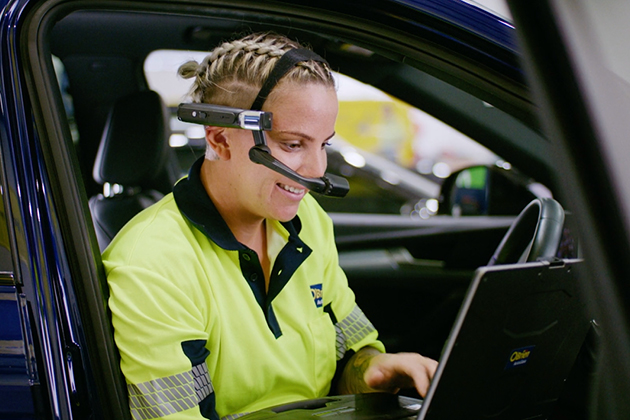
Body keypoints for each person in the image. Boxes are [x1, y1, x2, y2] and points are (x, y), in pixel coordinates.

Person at [104, 32, 438, 420]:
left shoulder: (306, 218)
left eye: (323, 145)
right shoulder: (152, 264)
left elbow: (348, 360)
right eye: (293, 145)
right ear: (220, 139)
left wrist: (374, 371)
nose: (316, 171)